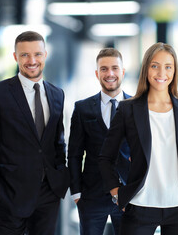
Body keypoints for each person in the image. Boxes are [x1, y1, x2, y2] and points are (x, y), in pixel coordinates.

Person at [98, 42, 178, 235]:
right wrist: (116, 192)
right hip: (139, 205)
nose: (162, 72)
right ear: (146, 69)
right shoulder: (128, 109)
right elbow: (105, 158)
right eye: (155, 65)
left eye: (168, 66)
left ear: (174, 71)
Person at [0, 31, 70, 234]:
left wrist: (60, 178)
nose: (32, 60)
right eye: (24, 55)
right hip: (9, 196)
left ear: (45, 55)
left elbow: (58, 142)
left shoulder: (57, 94)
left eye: (37, 54)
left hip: (49, 197)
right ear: (15, 56)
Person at [68, 48, 131, 235]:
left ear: (123, 71)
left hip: (128, 195)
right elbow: (74, 154)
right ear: (97, 73)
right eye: (104, 69)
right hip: (92, 196)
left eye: (114, 68)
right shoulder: (82, 108)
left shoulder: (137, 107)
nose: (109, 74)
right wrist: (77, 193)